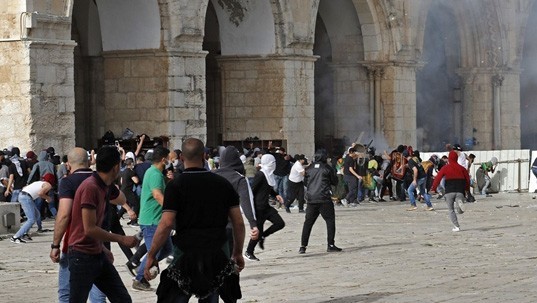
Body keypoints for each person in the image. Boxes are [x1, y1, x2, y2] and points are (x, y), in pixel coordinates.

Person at [143, 138, 246, 302]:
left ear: (182, 157)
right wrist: (237, 253)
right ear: (204, 156)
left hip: (185, 253)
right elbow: (238, 223)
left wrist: (152, 255)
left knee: (177, 297)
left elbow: (166, 223)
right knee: (211, 296)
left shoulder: (175, 186)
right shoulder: (223, 184)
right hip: (217, 253)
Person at [67, 146, 139, 302]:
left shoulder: (104, 186)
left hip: (97, 253)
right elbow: (89, 229)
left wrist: (102, 249)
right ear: (116, 167)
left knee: (122, 299)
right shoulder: (90, 187)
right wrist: (121, 239)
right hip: (81, 255)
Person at [132, 146, 173, 291]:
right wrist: (170, 209)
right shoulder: (155, 173)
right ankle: (139, 279)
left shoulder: (154, 172)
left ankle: (141, 268)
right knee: (153, 252)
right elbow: (157, 195)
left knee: (167, 248)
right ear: (163, 159)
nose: (169, 161)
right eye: (168, 158)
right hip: (151, 221)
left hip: (155, 220)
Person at [299, 149, 341, 254]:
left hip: (311, 198)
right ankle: (330, 244)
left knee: (308, 223)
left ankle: (303, 246)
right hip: (324, 198)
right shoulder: (327, 168)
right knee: (330, 221)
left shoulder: (309, 168)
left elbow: (305, 183)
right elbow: (334, 181)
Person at [244, 154, 285, 261]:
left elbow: (267, 188)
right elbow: (252, 190)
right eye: (273, 162)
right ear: (268, 163)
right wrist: (250, 207)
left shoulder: (268, 175)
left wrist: (276, 195)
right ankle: (248, 252)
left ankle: (263, 236)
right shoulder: (260, 175)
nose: (274, 164)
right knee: (257, 232)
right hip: (258, 208)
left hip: (266, 206)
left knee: (280, 223)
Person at [430, 150, 470, 232]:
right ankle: (460, 206)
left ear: (449, 158)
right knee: (459, 209)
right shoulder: (462, 168)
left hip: (449, 192)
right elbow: (467, 180)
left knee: (451, 210)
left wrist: (433, 189)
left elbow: (438, 178)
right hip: (460, 191)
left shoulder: (445, 168)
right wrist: (467, 190)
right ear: (456, 158)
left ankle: (456, 226)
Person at [10, 173, 55, 243]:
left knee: (37, 215)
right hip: (26, 198)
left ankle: (24, 234)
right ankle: (15, 237)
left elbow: (24, 187)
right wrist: (48, 198)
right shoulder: (48, 185)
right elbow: (40, 193)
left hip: (23, 195)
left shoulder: (39, 182)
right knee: (31, 219)